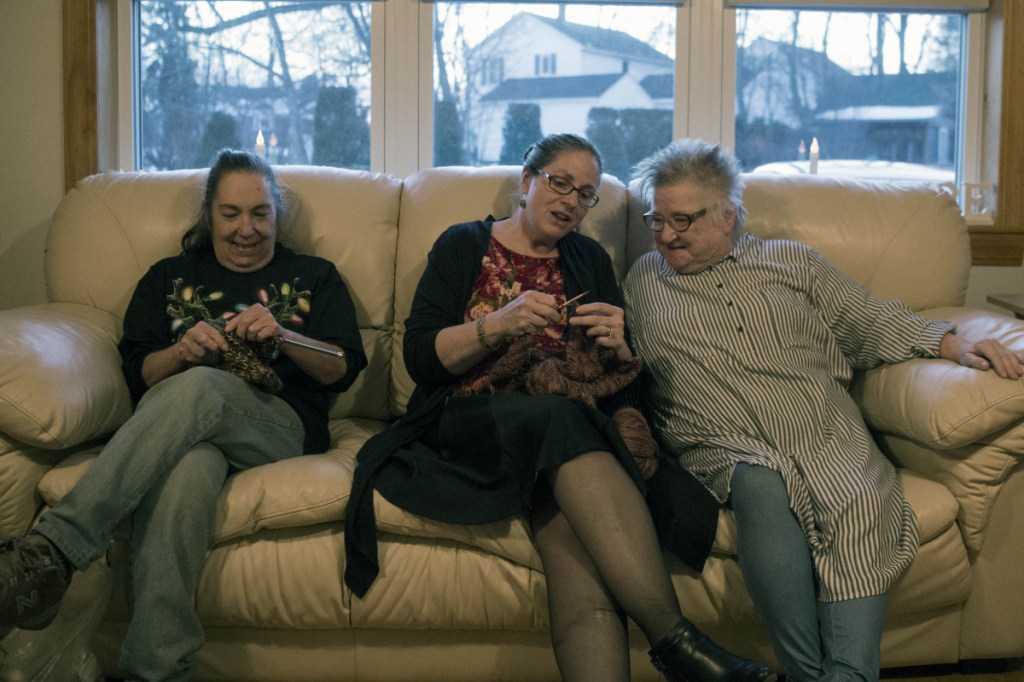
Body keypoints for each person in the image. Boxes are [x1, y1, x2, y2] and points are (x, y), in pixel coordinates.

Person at [344, 133, 775, 682]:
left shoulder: (589, 260)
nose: (572, 201)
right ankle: (676, 642)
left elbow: (621, 390)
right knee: (562, 419)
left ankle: (673, 652)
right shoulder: (464, 243)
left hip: (557, 441)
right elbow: (421, 359)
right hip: (466, 424)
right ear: (527, 181)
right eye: (560, 183)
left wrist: (621, 349)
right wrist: (498, 324)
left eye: (586, 194)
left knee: (578, 552)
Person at [621, 138, 1024, 682]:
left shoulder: (793, 262)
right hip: (721, 438)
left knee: (860, 500)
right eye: (656, 219)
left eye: (682, 220)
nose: (666, 234)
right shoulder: (642, 281)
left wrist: (953, 344)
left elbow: (870, 319)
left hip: (820, 425)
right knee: (761, 484)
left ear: (727, 216)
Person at [0, 149, 367, 680]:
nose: (246, 229)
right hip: (180, 432)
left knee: (201, 388)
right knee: (187, 470)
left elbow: (343, 368)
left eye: (260, 214)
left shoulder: (314, 275)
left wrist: (284, 334)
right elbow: (138, 375)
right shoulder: (167, 278)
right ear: (208, 214)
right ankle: (158, 669)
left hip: (279, 426)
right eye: (231, 213)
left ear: (277, 215)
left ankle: (55, 550)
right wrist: (179, 352)